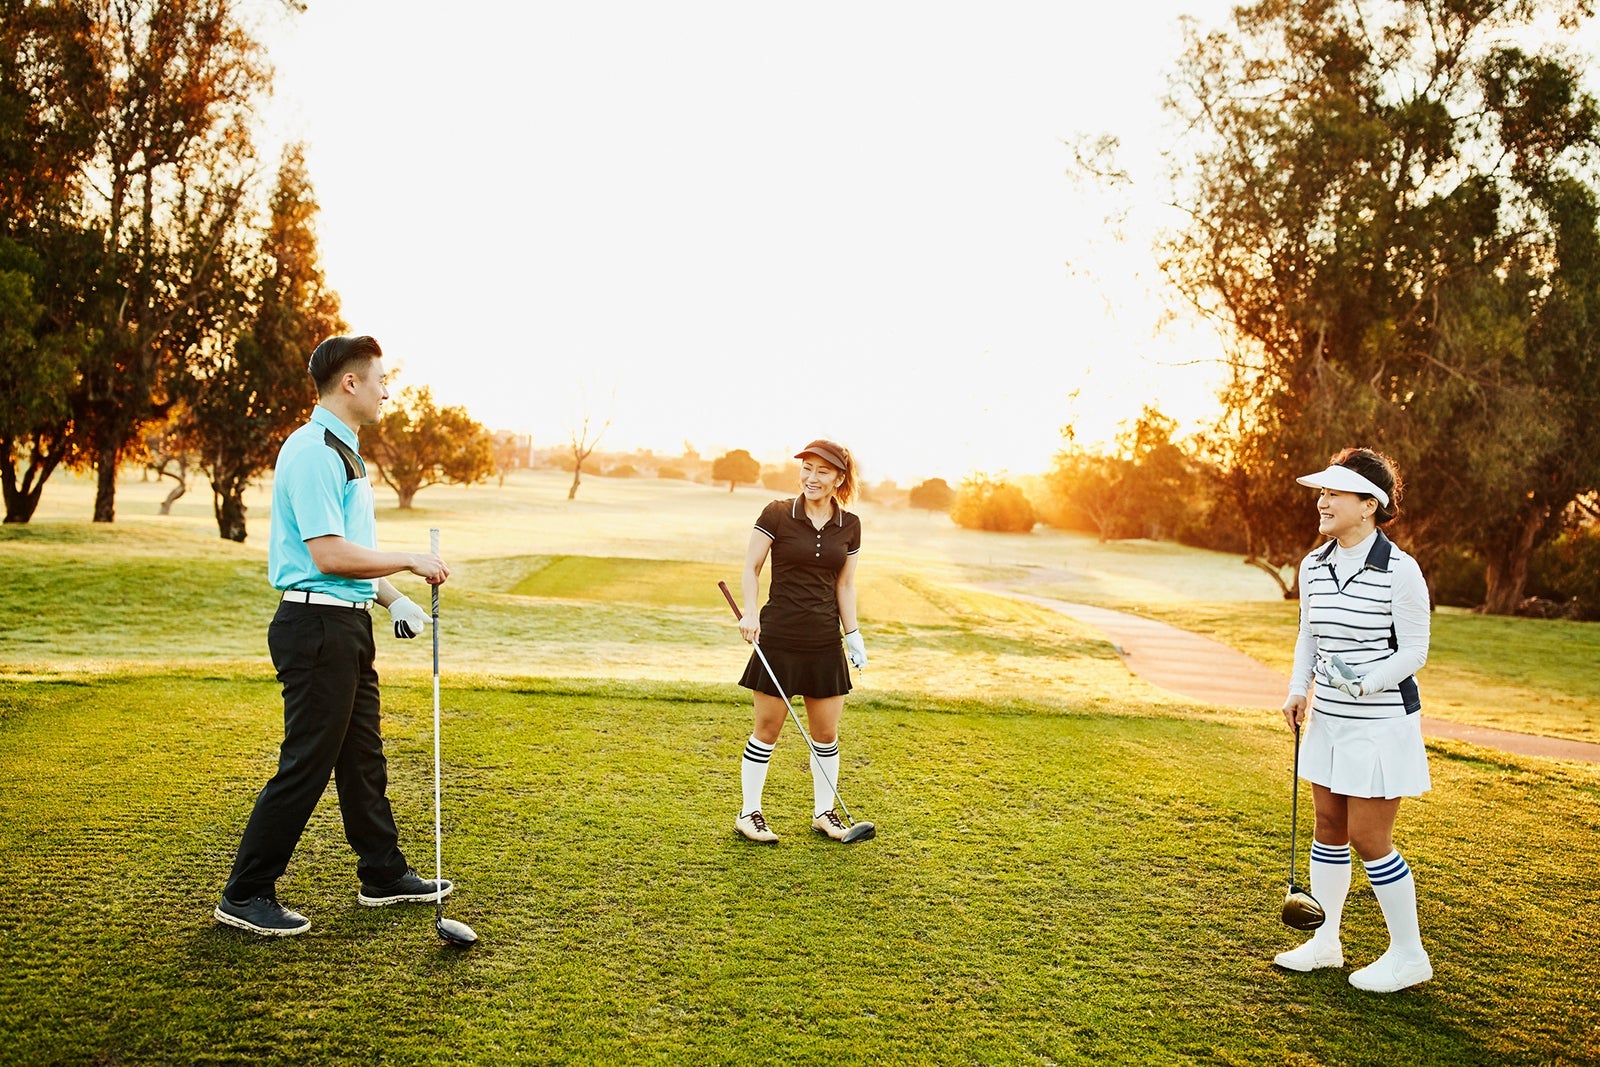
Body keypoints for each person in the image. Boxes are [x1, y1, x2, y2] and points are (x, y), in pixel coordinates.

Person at [214, 334, 453, 937]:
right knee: (307, 764)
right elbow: (327, 555)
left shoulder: (345, 451)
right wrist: (408, 562)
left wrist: (395, 599)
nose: (384, 391)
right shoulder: (315, 450)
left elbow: (351, 555)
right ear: (350, 384)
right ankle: (245, 893)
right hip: (317, 627)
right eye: (378, 380)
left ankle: (383, 872)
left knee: (361, 757)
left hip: (342, 623)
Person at [1276, 447, 1433, 992]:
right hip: (1329, 720)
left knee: (1370, 838)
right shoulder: (1313, 565)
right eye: (1321, 492)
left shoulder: (1402, 570)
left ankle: (1410, 955)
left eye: (1333, 492)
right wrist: (1300, 689)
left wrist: (1362, 681)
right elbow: (1309, 635)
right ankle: (1326, 941)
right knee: (1328, 828)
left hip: (1382, 721)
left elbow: (1415, 651)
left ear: (1370, 504)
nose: (1322, 501)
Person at [733, 440, 867, 844]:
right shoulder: (777, 513)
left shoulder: (851, 524)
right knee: (767, 730)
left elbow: (845, 584)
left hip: (825, 641)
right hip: (779, 637)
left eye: (822, 471)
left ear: (839, 478)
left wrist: (853, 633)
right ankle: (749, 813)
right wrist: (751, 612)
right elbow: (751, 568)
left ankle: (824, 814)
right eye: (806, 468)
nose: (811, 477)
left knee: (825, 735)